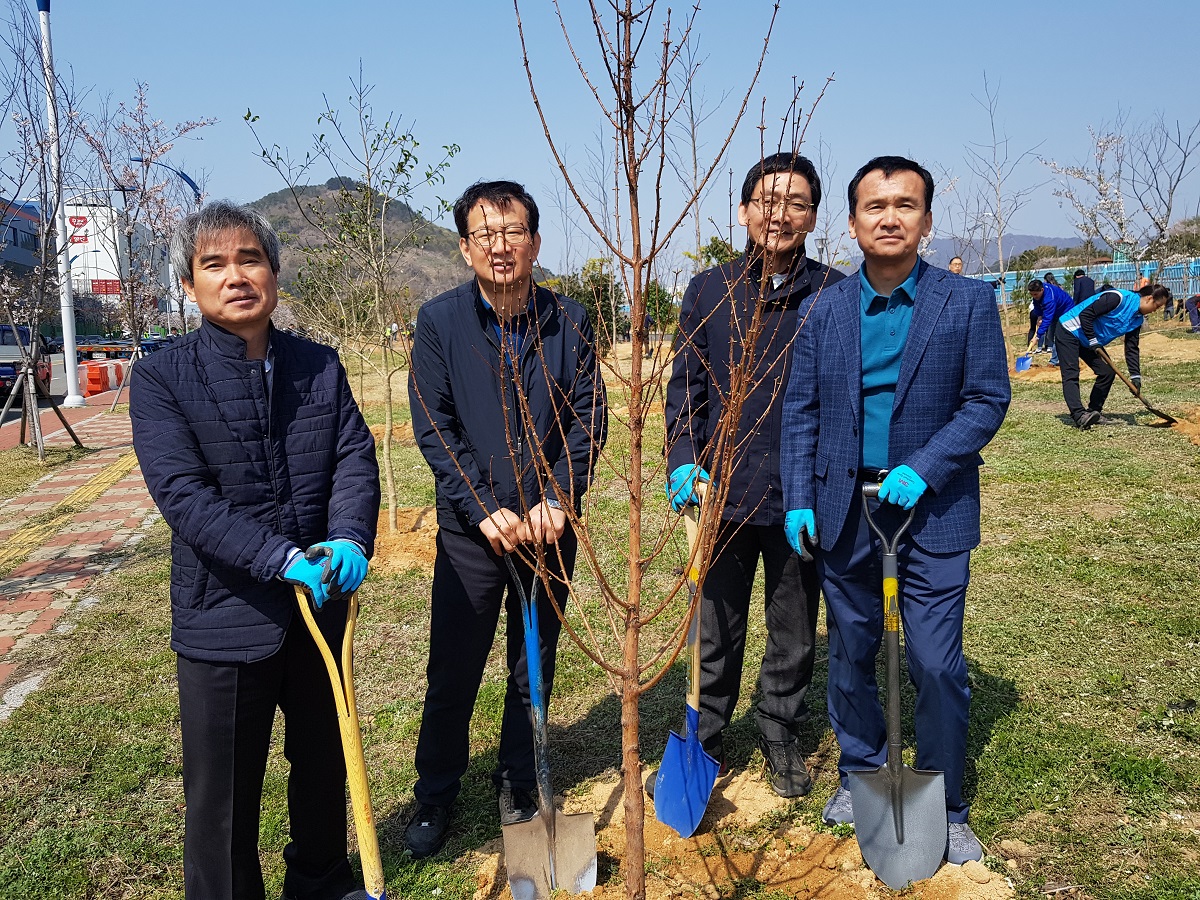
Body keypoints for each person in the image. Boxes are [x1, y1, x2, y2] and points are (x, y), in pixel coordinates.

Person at [130, 201, 381, 900]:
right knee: (223, 795)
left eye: (250, 259)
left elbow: (353, 457)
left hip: (318, 602)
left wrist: (349, 537)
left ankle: (322, 882)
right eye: (214, 264)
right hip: (224, 616)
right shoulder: (161, 379)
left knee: (323, 764)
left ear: (272, 272)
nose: (236, 276)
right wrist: (278, 558)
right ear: (189, 285)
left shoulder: (318, 366)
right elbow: (183, 496)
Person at [779, 156, 1010, 865]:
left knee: (936, 664)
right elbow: (802, 411)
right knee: (852, 651)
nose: (889, 216)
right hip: (845, 507)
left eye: (905, 205)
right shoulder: (823, 310)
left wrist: (926, 466)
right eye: (874, 206)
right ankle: (860, 770)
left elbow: (986, 401)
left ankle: (947, 802)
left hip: (930, 510)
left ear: (927, 221)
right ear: (850, 224)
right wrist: (798, 498)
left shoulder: (965, 303)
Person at [405, 180, 607, 858]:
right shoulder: (440, 323)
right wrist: (482, 508)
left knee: (534, 663)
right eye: (485, 235)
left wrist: (560, 497)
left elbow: (587, 419)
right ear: (465, 247)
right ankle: (435, 792)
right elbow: (436, 427)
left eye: (513, 231)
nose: (500, 246)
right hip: (473, 533)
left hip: (548, 529)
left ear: (535, 242)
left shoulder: (571, 322)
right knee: (453, 667)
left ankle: (521, 781)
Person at [664, 152, 844, 797]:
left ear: (814, 217)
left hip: (802, 494)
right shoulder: (710, 291)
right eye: (767, 202)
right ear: (744, 212)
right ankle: (706, 728)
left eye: (796, 203)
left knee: (794, 622)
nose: (780, 214)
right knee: (716, 622)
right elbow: (685, 386)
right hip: (724, 492)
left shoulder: (834, 293)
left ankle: (778, 725)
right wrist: (684, 459)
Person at [1054, 283, 1171, 428]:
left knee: (1107, 372)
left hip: (1089, 339)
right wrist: (1093, 340)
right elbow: (1086, 315)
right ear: (1149, 298)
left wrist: (1135, 376)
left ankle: (1094, 411)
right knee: (1071, 373)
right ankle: (1079, 415)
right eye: (1157, 306)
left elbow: (1131, 348)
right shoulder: (1117, 298)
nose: (1155, 311)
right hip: (1070, 331)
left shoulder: (1137, 319)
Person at [1026, 278, 1073, 365]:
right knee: (1050, 337)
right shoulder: (1038, 294)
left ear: (1042, 290)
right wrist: (1039, 316)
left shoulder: (1049, 299)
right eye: (1031, 294)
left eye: (1035, 294)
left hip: (1066, 311)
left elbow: (1047, 319)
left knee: (1058, 337)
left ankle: (1054, 361)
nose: (1034, 296)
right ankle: (1063, 355)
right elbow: (1036, 304)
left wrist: (1037, 337)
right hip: (1055, 312)